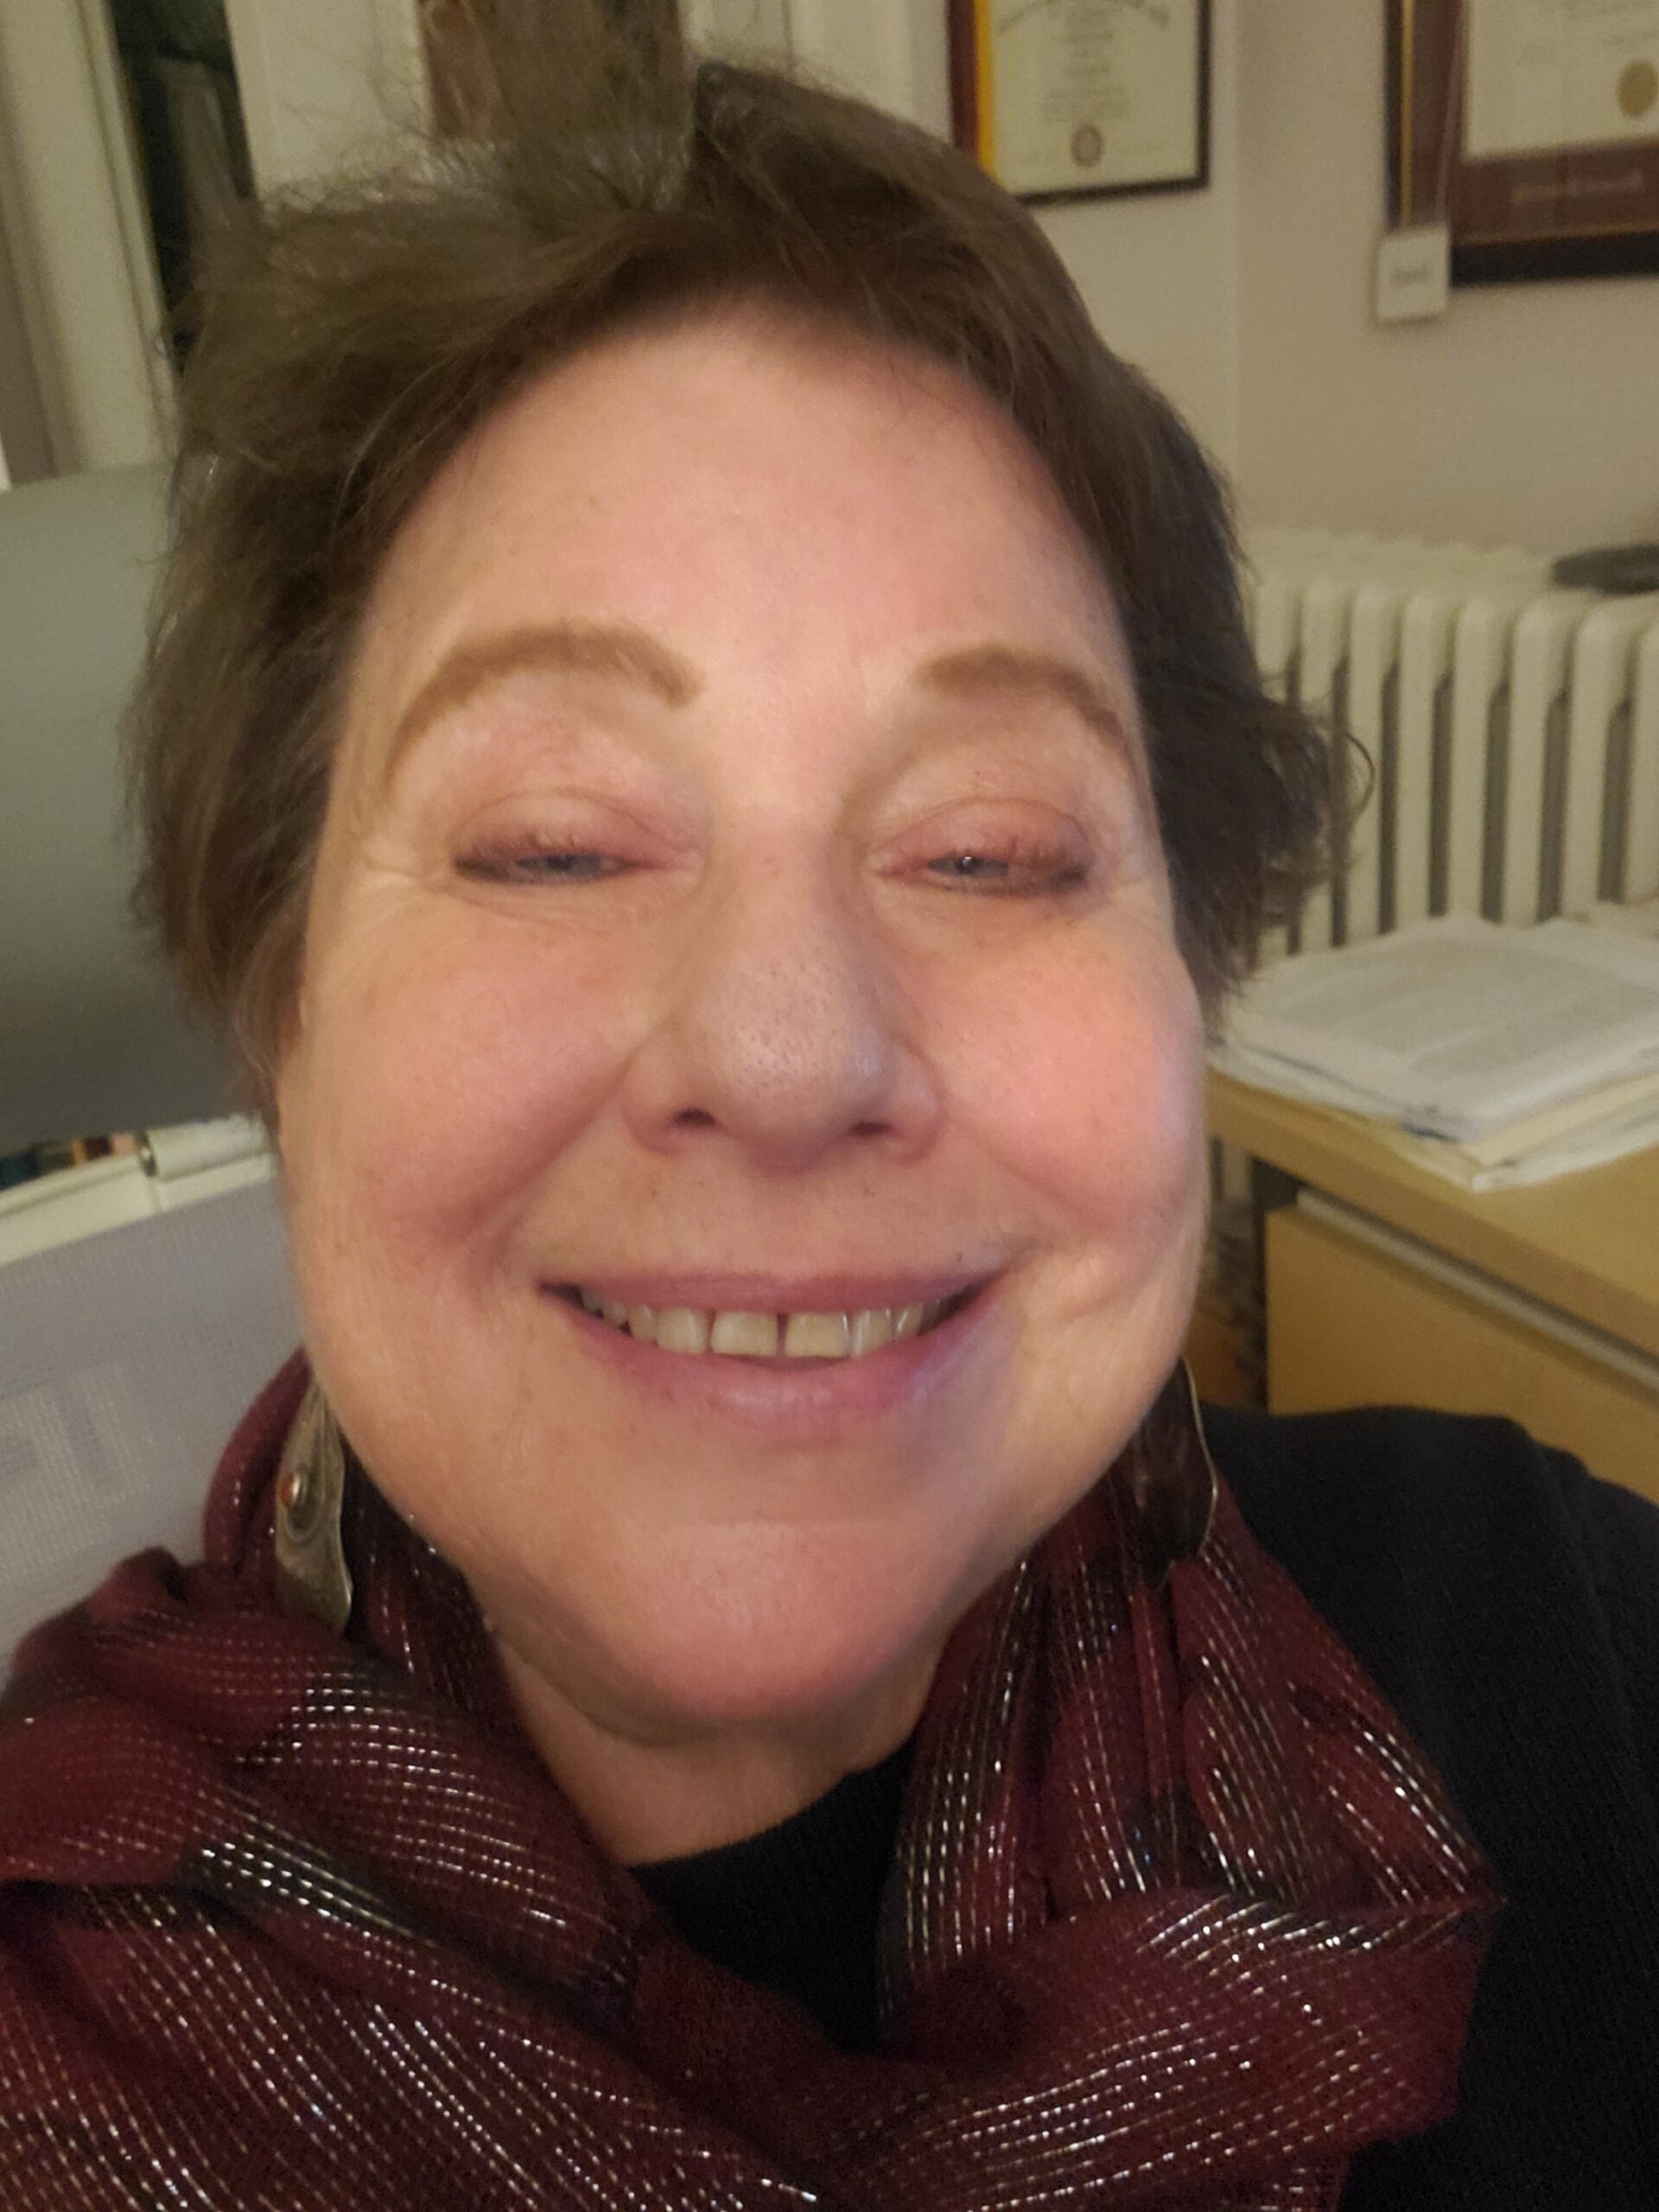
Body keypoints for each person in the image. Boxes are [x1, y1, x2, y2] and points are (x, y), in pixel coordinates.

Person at [1, 8, 1655, 2206]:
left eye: (989, 850)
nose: (788, 1052)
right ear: (274, 1012)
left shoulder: (1554, 1633)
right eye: (554, 842)